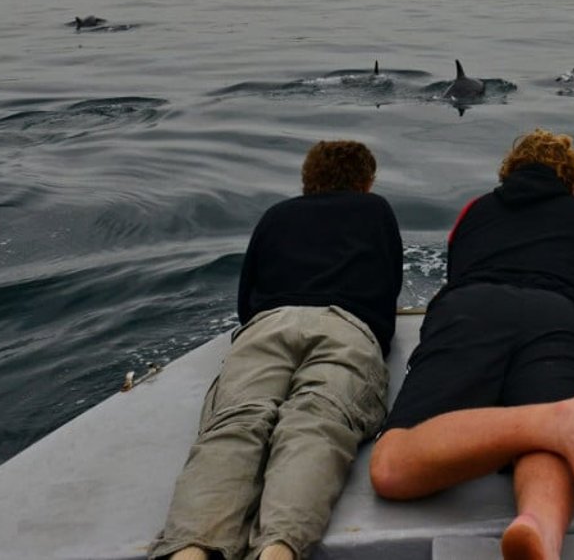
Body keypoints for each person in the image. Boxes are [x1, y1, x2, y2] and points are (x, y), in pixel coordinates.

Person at [369, 129, 574, 560]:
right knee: (549, 442)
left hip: (471, 309)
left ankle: (555, 422)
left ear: (510, 169)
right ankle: (537, 523)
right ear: (572, 178)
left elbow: (459, 265)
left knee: (391, 467)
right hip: (556, 315)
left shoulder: (476, 210)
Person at [149, 140, 403, 560]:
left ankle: (190, 551)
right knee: (318, 420)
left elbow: (246, 300)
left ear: (307, 181)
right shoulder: (376, 210)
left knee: (235, 423)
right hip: (346, 325)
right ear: (367, 182)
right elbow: (387, 286)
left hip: (269, 324)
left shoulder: (276, 215)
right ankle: (278, 550)